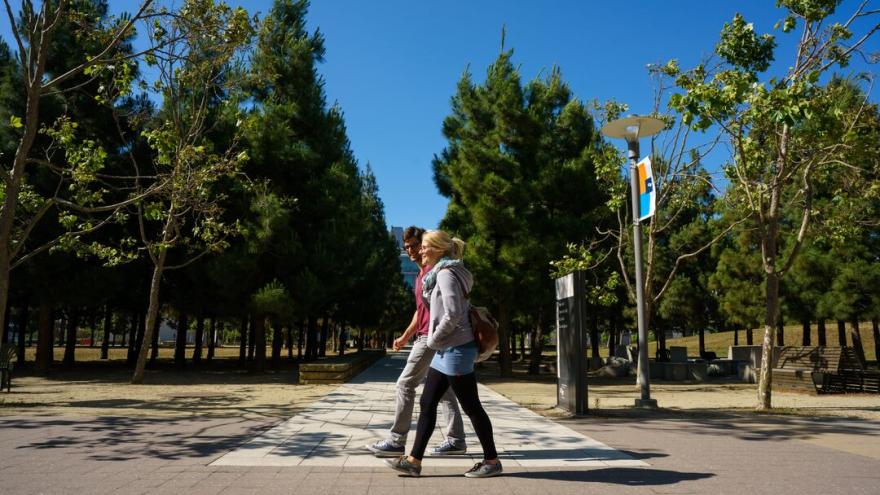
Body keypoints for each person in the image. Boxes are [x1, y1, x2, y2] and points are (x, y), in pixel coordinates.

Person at [385, 230, 502, 478]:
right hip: (446, 351)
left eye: (425, 246)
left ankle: (491, 461)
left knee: (472, 407)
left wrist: (434, 340)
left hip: (456, 350)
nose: (421, 251)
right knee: (427, 402)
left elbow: (452, 314)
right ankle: (414, 461)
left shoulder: (447, 274)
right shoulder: (443, 273)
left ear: (438, 249)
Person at [366, 226, 467, 457]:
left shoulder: (437, 271)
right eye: (408, 247)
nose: (412, 250)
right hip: (425, 335)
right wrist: (404, 336)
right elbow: (420, 311)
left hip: (430, 338)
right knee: (445, 392)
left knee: (405, 384)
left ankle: (396, 440)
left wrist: (434, 337)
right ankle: (456, 440)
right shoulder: (424, 275)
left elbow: (449, 310)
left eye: (416, 245)